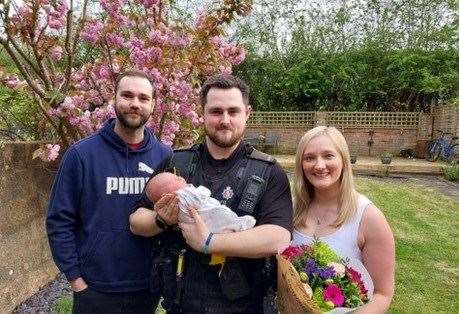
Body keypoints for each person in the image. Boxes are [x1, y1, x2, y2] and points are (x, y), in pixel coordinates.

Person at [129, 74, 293, 313]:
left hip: (246, 306)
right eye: (216, 111)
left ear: (247, 113)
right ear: (202, 113)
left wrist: (210, 243)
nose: (225, 120)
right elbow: (135, 221)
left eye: (233, 111)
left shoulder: (268, 171)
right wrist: (161, 219)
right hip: (182, 304)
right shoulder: (176, 164)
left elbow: (279, 237)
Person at [46, 70, 172, 314]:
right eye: (127, 95)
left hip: (147, 288)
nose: (135, 104)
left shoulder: (165, 156)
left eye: (143, 98)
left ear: (153, 105)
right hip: (95, 288)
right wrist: (75, 279)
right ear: (113, 99)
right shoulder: (81, 155)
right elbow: (59, 221)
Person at [291, 126, 395, 312]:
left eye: (328, 156)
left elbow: (382, 295)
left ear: (344, 161)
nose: (319, 165)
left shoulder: (368, 218)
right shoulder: (291, 209)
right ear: (301, 164)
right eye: (309, 158)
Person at [144, 172, 256, 233]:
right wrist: (201, 190)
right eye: (176, 178)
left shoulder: (174, 205)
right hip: (211, 216)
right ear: (166, 195)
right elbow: (200, 197)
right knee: (224, 215)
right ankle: (240, 225)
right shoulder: (183, 195)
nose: (181, 177)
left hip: (203, 229)